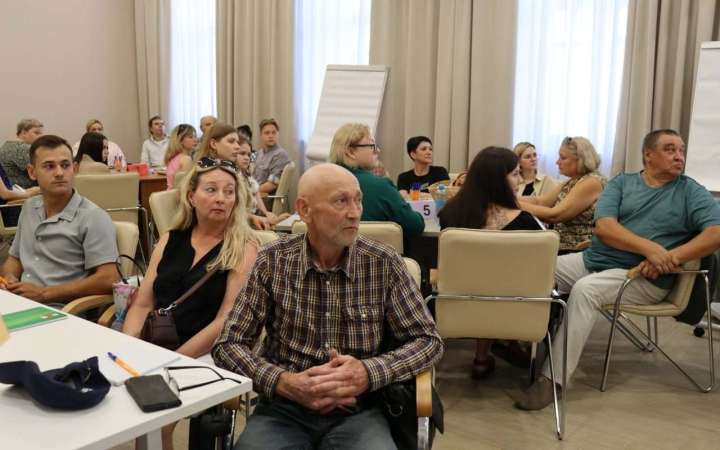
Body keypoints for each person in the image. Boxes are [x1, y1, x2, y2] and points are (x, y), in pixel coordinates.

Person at [213, 163, 443, 450]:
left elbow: (428, 341)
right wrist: (284, 382)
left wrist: (368, 372)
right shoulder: (273, 261)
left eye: (358, 200)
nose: (355, 212)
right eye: (341, 201)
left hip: (360, 409)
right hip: (284, 408)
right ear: (304, 209)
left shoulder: (383, 263)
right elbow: (228, 344)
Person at [516, 129, 720, 411]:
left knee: (586, 291)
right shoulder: (622, 183)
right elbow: (605, 227)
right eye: (670, 149)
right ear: (648, 155)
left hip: (642, 277)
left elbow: (716, 233)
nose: (679, 156)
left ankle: (552, 380)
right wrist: (650, 249)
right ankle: (513, 343)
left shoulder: (690, 191)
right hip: (594, 260)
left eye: (681, 150)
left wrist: (669, 257)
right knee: (529, 270)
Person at [123, 158, 259, 450]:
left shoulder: (243, 247)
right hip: (157, 339)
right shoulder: (170, 239)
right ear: (191, 196)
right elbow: (143, 303)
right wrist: (131, 347)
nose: (221, 198)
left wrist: (173, 360)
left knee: (157, 417)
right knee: (126, 406)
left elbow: (224, 320)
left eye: (229, 192)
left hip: (206, 350)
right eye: (211, 190)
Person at [439, 147, 542, 378]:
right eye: (515, 174)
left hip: (459, 302)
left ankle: (482, 357)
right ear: (498, 180)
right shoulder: (525, 223)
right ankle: (511, 347)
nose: (520, 180)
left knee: (482, 280)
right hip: (513, 307)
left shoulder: (449, 214)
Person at [0, 135, 119, 303]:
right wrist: (10, 277)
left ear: (75, 169)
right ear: (32, 172)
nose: (59, 173)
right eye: (49, 166)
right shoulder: (29, 208)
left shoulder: (92, 217)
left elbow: (109, 278)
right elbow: (15, 258)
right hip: (23, 302)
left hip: (61, 309)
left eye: (65, 165)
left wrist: (44, 293)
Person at [328, 123, 424, 238]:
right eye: (372, 146)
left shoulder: (321, 182)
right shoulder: (380, 185)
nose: (378, 150)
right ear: (350, 152)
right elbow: (415, 226)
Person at [519, 137, 606, 253]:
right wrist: (507, 198)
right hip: (562, 247)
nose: (557, 162)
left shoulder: (592, 182)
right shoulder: (572, 181)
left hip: (579, 250)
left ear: (580, 160)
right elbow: (541, 202)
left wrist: (514, 204)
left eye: (563, 158)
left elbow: (555, 215)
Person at [195, 122, 285, 230]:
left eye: (237, 142)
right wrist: (253, 218)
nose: (237, 146)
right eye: (231, 141)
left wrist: (266, 217)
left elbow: (238, 210)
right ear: (214, 144)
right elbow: (220, 214)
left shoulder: (232, 171)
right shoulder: (205, 173)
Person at [0, 118, 43, 188]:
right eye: (36, 133)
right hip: (27, 192)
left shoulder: (5, 146)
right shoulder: (24, 148)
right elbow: (42, 173)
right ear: (24, 133)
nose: (41, 136)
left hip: (11, 190)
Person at [254, 118, 291, 194]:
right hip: (256, 193)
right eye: (267, 133)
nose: (271, 136)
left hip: (265, 197)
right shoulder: (259, 153)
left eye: (274, 133)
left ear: (278, 134)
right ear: (261, 135)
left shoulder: (280, 155)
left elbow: (272, 185)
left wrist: (250, 193)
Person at [164, 124, 196, 189]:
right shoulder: (186, 159)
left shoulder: (173, 157)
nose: (195, 140)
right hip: (179, 194)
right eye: (191, 137)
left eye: (195, 137)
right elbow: (187, 187)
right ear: (180, 140)